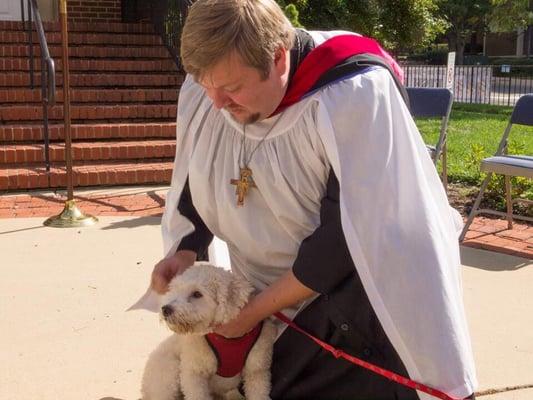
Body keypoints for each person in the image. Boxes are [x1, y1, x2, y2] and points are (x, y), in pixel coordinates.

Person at [149, 0, 478, 398]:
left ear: (277, 56)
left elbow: (347, 236)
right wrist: (185, 251)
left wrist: (253, 312)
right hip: (260, 298)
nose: (216, 103)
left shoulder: (352, 92)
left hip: (348, 301)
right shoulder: (213, 87)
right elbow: (193, 172)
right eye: (207, 86)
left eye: (232, 88)